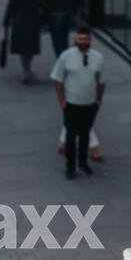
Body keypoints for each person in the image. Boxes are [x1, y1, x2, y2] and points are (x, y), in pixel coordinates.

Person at [50, 26, 106, 179]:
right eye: (80, 39)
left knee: (85, 134)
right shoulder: (66, 56)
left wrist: (98, 101)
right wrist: (62, 101)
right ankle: (70, 166)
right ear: (76, 40)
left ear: (90, 40)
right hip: (72, 103)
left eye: (85, 39)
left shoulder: (98, 57)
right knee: (71, 134)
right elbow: (58, 80)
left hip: (89, 103)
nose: (82, 42)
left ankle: (83, 163)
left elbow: (101, 81)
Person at [3, 0, 42, 84]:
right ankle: (27, 70)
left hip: (19, 20)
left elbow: (11, 5)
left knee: (22, 47)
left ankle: (26, 70)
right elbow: (42, 5)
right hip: (33, 20)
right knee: (30, 47)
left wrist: (6, 20)